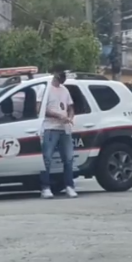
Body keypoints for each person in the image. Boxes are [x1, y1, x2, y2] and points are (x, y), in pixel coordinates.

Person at [38, 68, 77, 199]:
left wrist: (70, 117)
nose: (61, 81)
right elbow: (40, 109)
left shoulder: (64, 90)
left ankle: (69, 186)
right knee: (47, 159)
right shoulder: (45, 89)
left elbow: (71, 107)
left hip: (64, 128)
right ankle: (45, 187)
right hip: (50, 127)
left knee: (68, 158)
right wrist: (58, 116)